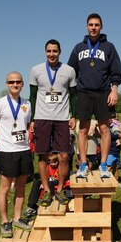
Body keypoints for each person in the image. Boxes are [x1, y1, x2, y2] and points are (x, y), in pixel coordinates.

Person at [68, 13, 121, 178]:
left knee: (105, 128)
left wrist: (114, 89)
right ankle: (83, 164)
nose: (93, 27)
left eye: (96, 25)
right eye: (91, 25)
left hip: (103, 93)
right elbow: (71, 71)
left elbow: (116, 71)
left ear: (101, 27)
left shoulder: (109, 47)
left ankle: (104, 166)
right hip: (83, 92)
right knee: (83, 129)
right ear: (86, 26)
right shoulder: (79, 47)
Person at [29, 39, 77, 207]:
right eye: (49, 51)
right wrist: (32, 119)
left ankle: (61, 189)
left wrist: (74, 115)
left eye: (54, 51)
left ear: (59, 52)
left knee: (64, 156)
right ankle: (47, 192)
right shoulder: (36, 70)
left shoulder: (69, 71)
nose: (52, 54)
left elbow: (73, 95)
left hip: (62, 118)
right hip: (42, 118)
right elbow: (33, 96)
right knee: (42, 156)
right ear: (45, 52)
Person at [0, 71, 32, 238]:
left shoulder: (27, 104)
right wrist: (1, 141)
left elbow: (25, 124)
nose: (15, 84)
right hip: (7, 152)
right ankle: (5, 222)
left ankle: (17, 218)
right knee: (5, 188)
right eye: (11, 82)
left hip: (24, 150)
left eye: (18, 82)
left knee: (21, 187)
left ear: (22, 84)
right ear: (7, 84)